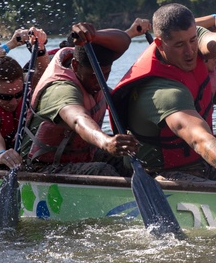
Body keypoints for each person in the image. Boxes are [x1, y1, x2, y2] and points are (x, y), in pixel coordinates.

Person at [110, 3, 216, 190]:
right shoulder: (161, 92)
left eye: (192, 41)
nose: (190, 52)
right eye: (179, 45)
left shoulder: (195, 48)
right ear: (159, 44)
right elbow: (199, 139)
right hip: (159, 175)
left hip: (201, 163)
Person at [22, 23, 138, 175]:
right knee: (102, 170)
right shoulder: (61, 89)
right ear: (75, 66)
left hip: (77, 158)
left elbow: (123, 41)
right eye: (93, 75)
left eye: (106, 73)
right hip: (40, 168)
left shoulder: (96, 81)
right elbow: (78, 119)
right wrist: (107, 142)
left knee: (132, 159)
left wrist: (94, 35)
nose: (100, 81)